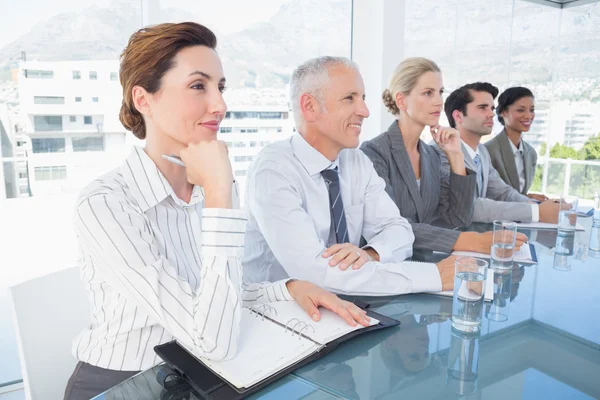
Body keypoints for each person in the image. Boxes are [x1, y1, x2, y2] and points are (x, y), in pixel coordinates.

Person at [64, 23, 369, 400]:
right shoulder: (106, 204)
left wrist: (288, 288)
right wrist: (220, 195)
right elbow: (212, 341)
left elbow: (219, 294)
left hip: (192, 375)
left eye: (220, 87)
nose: (220, 104)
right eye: (198, 86)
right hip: (124, 385)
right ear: (144, 99)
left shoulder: (209, 185)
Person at [243, 56, 457, 297]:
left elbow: (400, 231)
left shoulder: (355, 161)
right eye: (349, 98)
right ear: (310, 106)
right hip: (280, 315)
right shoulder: (273, 171)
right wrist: (434, 276)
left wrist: (370, 254)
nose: (364, 111)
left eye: (363, 98)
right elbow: (315, 274)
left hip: (348, 306)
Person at [361, 57, 526, 254]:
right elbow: (392, 227)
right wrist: (471, 240)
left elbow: (459, 218)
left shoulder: (431, 155)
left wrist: (456, 156)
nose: (439, 101)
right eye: (428, 93)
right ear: (401, 100)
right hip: (389, 265)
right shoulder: (375, 152)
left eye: (440, 92)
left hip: (427, 259)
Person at [439, 82, 563, 223]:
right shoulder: (442, 151)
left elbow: (503, 192)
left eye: (492, 108)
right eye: (482, 108)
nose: (491, 114)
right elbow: (469, 207)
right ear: (458, 116)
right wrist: (536, 212)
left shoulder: (482, 152)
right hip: (450, 237)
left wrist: (538, 206)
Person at [485, 86, 548, 201]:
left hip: (521, 215)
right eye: (521, 110)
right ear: (503, 112)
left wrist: (527, 197)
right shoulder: (488, 151)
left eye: (532, 110)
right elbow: (487, 195)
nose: (528, 116)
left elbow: (518, 192)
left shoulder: (531, 153)